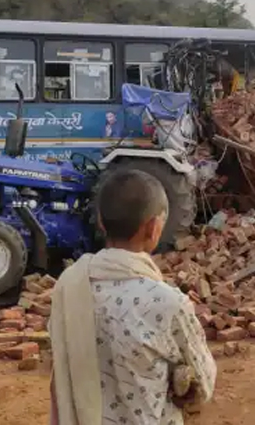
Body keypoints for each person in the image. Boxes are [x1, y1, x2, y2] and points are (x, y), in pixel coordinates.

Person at [49, 169, 216, 425]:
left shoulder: (69, 284)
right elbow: (202, 384)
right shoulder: (168, 303)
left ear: (101, 222)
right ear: (154, 228)